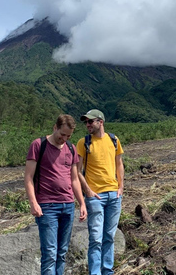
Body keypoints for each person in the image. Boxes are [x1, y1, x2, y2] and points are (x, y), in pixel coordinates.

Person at [24, 114, 87, 275]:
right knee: (50, 254)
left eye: (68, 136)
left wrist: (82, 202)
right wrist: (33, 203)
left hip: (68, 206)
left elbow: (74, 179)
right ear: (55, 128)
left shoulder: (71, 148)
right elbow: (28, 177)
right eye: (62, 134)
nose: (64, 139)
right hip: (47, 206)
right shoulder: (39, 145)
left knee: (62, 253)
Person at [76, 109, 124, 275]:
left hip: (114, 195)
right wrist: (87, 191)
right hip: (95, 196)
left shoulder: (113, 139)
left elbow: (119, 164)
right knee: (96, 238)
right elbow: (76, 170)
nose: (87, 125)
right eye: (86, 122)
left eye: (90, 121)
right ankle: (95, 272)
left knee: (109, 237)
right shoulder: (84, 142)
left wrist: (121, 187)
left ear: (100, 122)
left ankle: (107, 271)